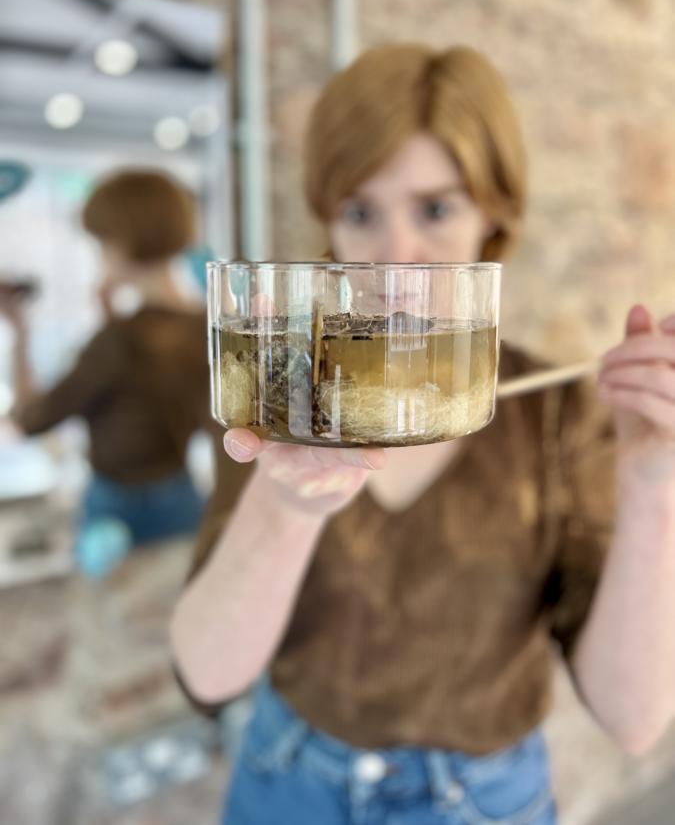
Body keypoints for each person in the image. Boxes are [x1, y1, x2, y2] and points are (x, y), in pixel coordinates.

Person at [170, 45, 675, 824]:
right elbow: (207, 674)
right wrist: (288, 505)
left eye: (435, 210)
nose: (394, 258)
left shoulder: (557, 415)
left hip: (484, 802)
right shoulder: (281, 381)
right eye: (359, 212)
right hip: (287, 783)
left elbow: (633, 719)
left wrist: (653, 486)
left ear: (495, 212)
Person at [1, 169, 215, 554]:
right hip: (183, 497)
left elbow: (32, 418)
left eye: (101, 244)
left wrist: (20, 334)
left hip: (120, 510)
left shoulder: (117, 341)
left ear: (122, 243)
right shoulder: (207, 326)